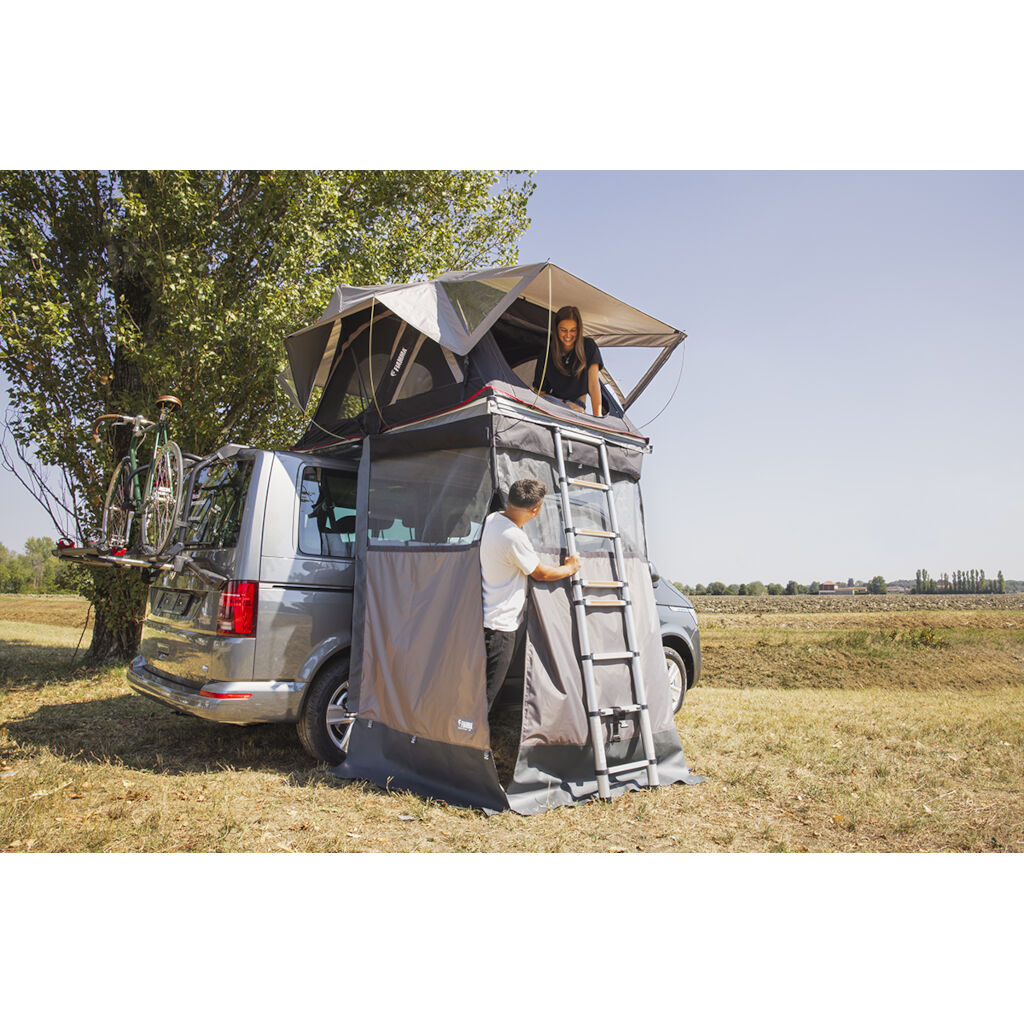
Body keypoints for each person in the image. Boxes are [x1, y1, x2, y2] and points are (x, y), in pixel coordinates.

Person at [480, 478, 581, 709]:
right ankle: (474, 732)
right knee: (488, 693)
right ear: (535, 510)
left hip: (486, 617)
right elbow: (541, 573)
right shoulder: (514, 538)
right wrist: (570, 568)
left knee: (483, 688)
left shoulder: (493, 519)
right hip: (501, 626)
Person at [533, 305, 604, 416]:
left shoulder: (588, 347)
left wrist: (597, 417)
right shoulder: (547, 353)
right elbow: (539, 393)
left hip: (578, 406)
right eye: (563, 330)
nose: (568, 335)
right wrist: (566, 403)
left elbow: (594, 385)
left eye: (573, 330)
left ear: (579, 330)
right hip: (552, 403)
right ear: (556, 329)